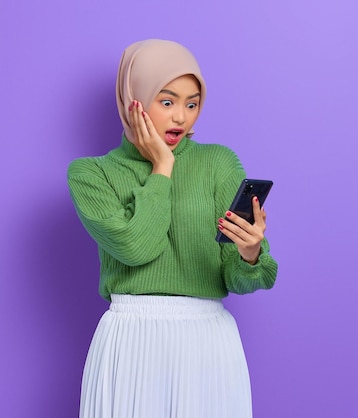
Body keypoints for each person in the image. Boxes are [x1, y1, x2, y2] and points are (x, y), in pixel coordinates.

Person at [67, 39, 278, 418]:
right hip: (131, 340)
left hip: (207, 342)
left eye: (192, 103)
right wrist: (162, 168)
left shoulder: (218, 163)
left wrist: (249, 254)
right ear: (133, 97)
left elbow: (243, 280)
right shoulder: (92, 174)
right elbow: (136, 248)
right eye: (167, 102)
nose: (182, 117)